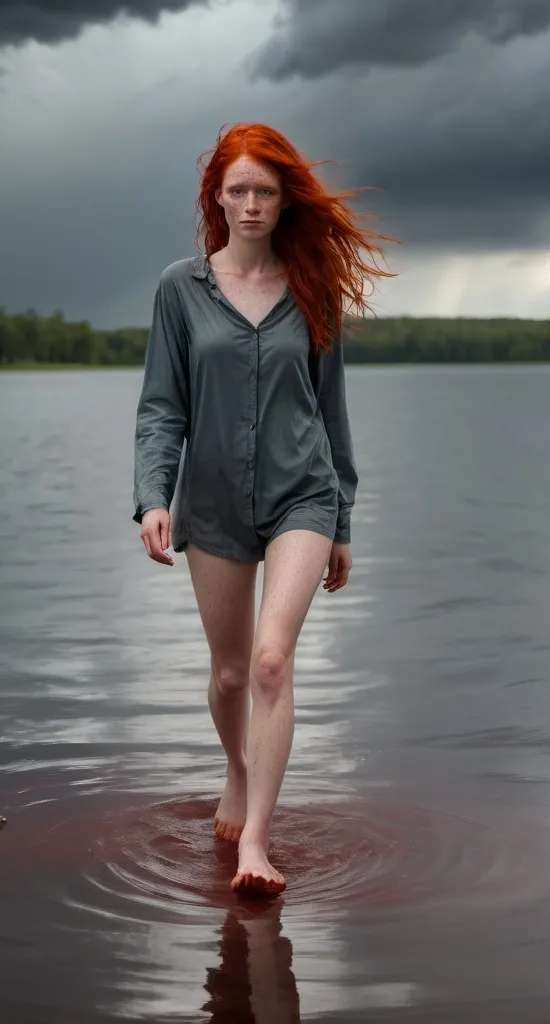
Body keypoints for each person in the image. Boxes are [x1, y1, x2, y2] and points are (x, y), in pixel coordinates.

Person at [132, 122, 394, 896]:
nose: (251, 204)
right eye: (238, 190)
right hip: (209, 502)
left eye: (266, 192)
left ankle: (256, 842)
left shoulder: (313, 291)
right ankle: (237, 768)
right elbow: (160, 406)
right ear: (218, 196)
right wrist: (153, 494)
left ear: (285, 202)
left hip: (301, 496)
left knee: (273, 663)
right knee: (230, 673)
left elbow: (331, 410)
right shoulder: (180, 289)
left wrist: (341, 519)